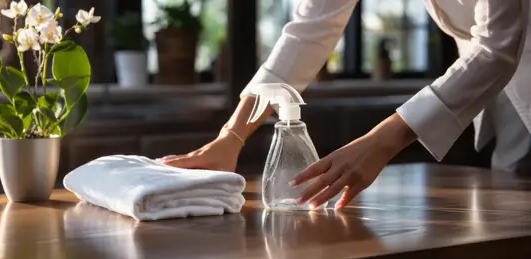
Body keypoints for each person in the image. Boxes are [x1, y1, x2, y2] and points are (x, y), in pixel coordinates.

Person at [161, 0, 531, 210]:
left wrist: (381, 141)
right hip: (493, 93)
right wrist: (231, 136)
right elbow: (309, 31)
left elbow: (496, 47)